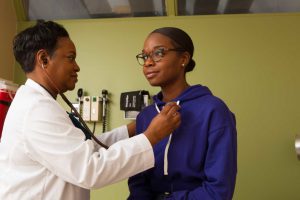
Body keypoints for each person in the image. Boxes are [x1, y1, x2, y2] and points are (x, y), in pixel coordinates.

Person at [0, 21, 181, 200]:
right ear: (44, 59)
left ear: (184, 59)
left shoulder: (37, 104)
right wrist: (152, 136)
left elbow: (84, 149)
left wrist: (133, 129)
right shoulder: (36, 110)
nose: (77, 66)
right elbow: (91, 169)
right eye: (71, 57)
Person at [127, 27, 237, 200]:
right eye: (145, 56)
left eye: (158, 53)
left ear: (183, 59)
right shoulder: (145, 116)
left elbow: (219, 190)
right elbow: (138, 182)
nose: (148, 62)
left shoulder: (214, 110)